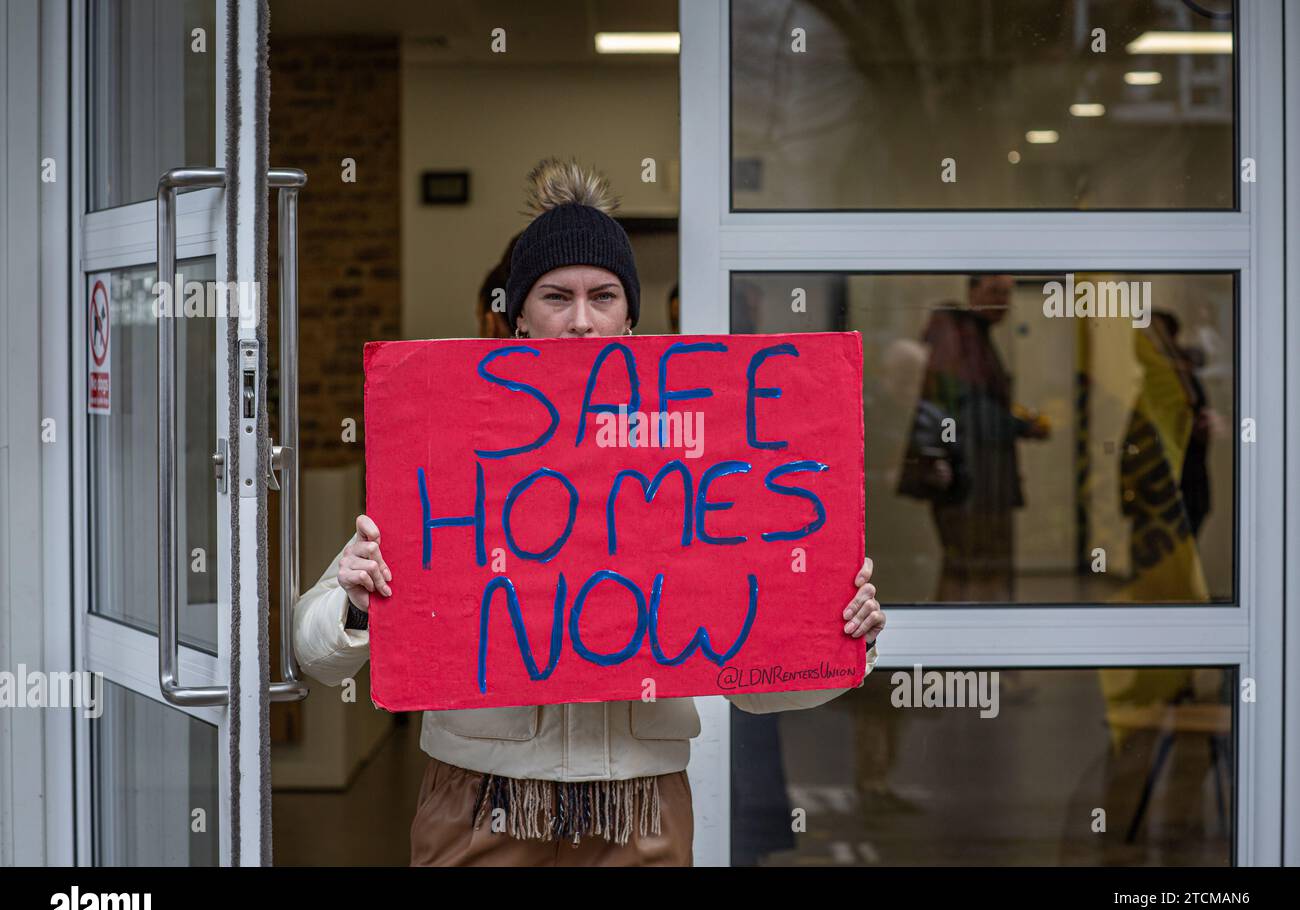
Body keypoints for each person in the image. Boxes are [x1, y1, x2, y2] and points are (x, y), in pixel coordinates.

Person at [293, 158, 886, 867]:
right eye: (556, 296)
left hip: (641, 809)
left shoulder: (688, 454)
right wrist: (359, 607)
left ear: (630, 318)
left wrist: (836, 634)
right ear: (516, 317)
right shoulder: (450, 445)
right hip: (482, 800)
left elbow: (759, 683)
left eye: (603, 296)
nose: (581, 320)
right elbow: (313, 651)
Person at [905, 274, 1049, 603]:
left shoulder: (973, 338)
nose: (1003, 302)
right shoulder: (960, 337)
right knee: (971, 564)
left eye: (1007, 294)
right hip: (969, 479)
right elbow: (969, 412)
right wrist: (1020, 426)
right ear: (972, 292)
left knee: (969, 564)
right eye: (995, 292)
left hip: (977, 476)